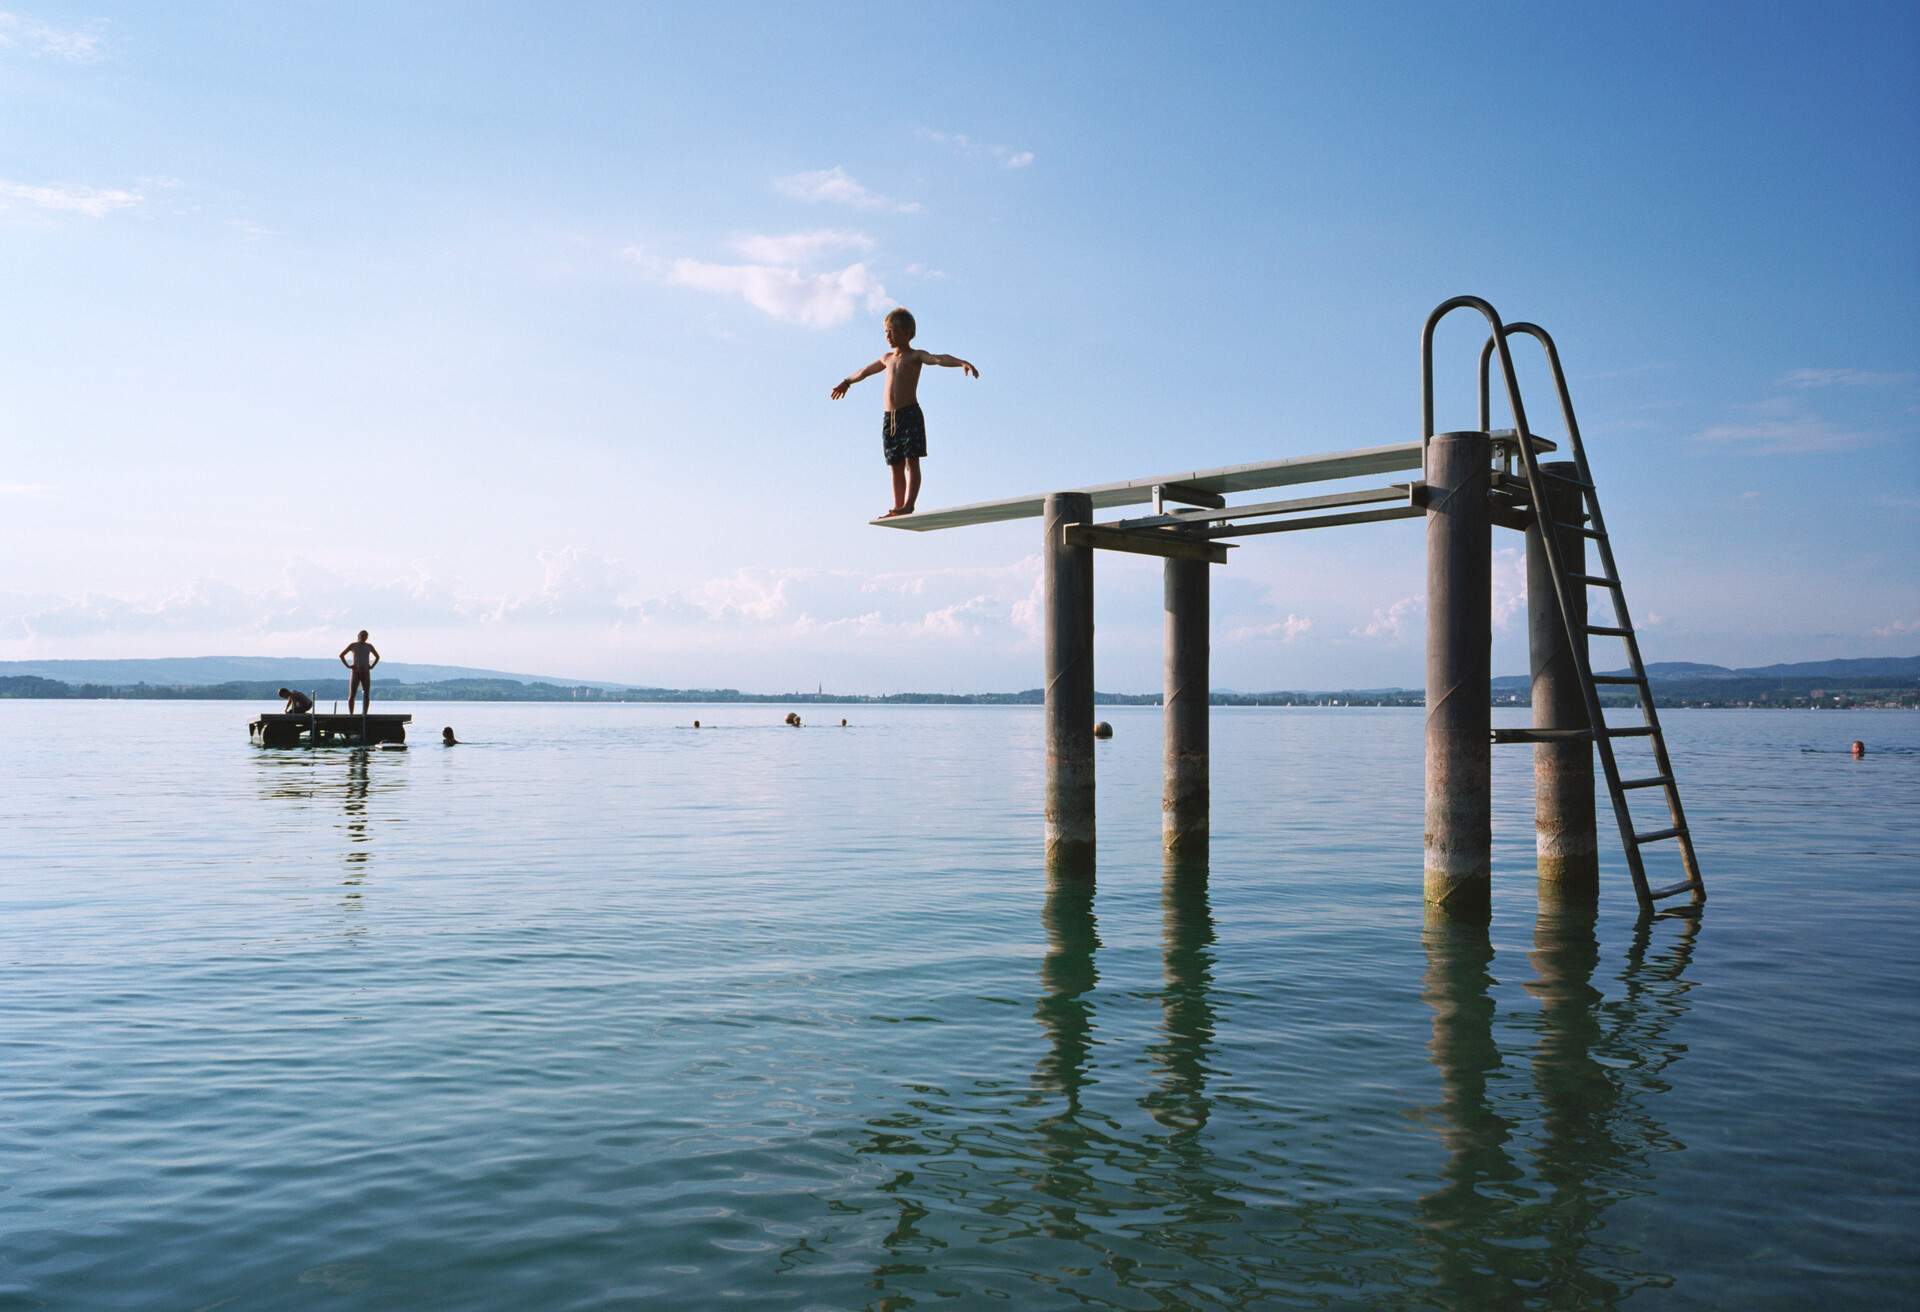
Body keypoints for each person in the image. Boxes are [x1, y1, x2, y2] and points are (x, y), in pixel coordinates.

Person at [830, 306, 977, 518]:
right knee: (895, 464)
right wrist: (846, 382)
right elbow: (864, 372)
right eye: (886, 332)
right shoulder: (886, 358)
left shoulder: (915, 356)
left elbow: (938, 358)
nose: (888, 336)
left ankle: (909, 504)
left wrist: (961, 362)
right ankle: (897, 506)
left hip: (909, 414)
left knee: (911, 461)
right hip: (889, 419)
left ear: (907, 333)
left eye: (893, 331)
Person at [339, 630, 381, 714]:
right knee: (352, 694)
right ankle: (351, 714)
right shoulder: (353, 645)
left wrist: (372, 666)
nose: (364, 637)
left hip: (365, 672)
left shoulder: (369, 646)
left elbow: (377, 657)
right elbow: (342, 655)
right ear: (358, 636)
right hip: (356, 672)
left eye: (366, 636)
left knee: (366, 693)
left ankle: (364, 713)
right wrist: (348, 665)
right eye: (362, 635)